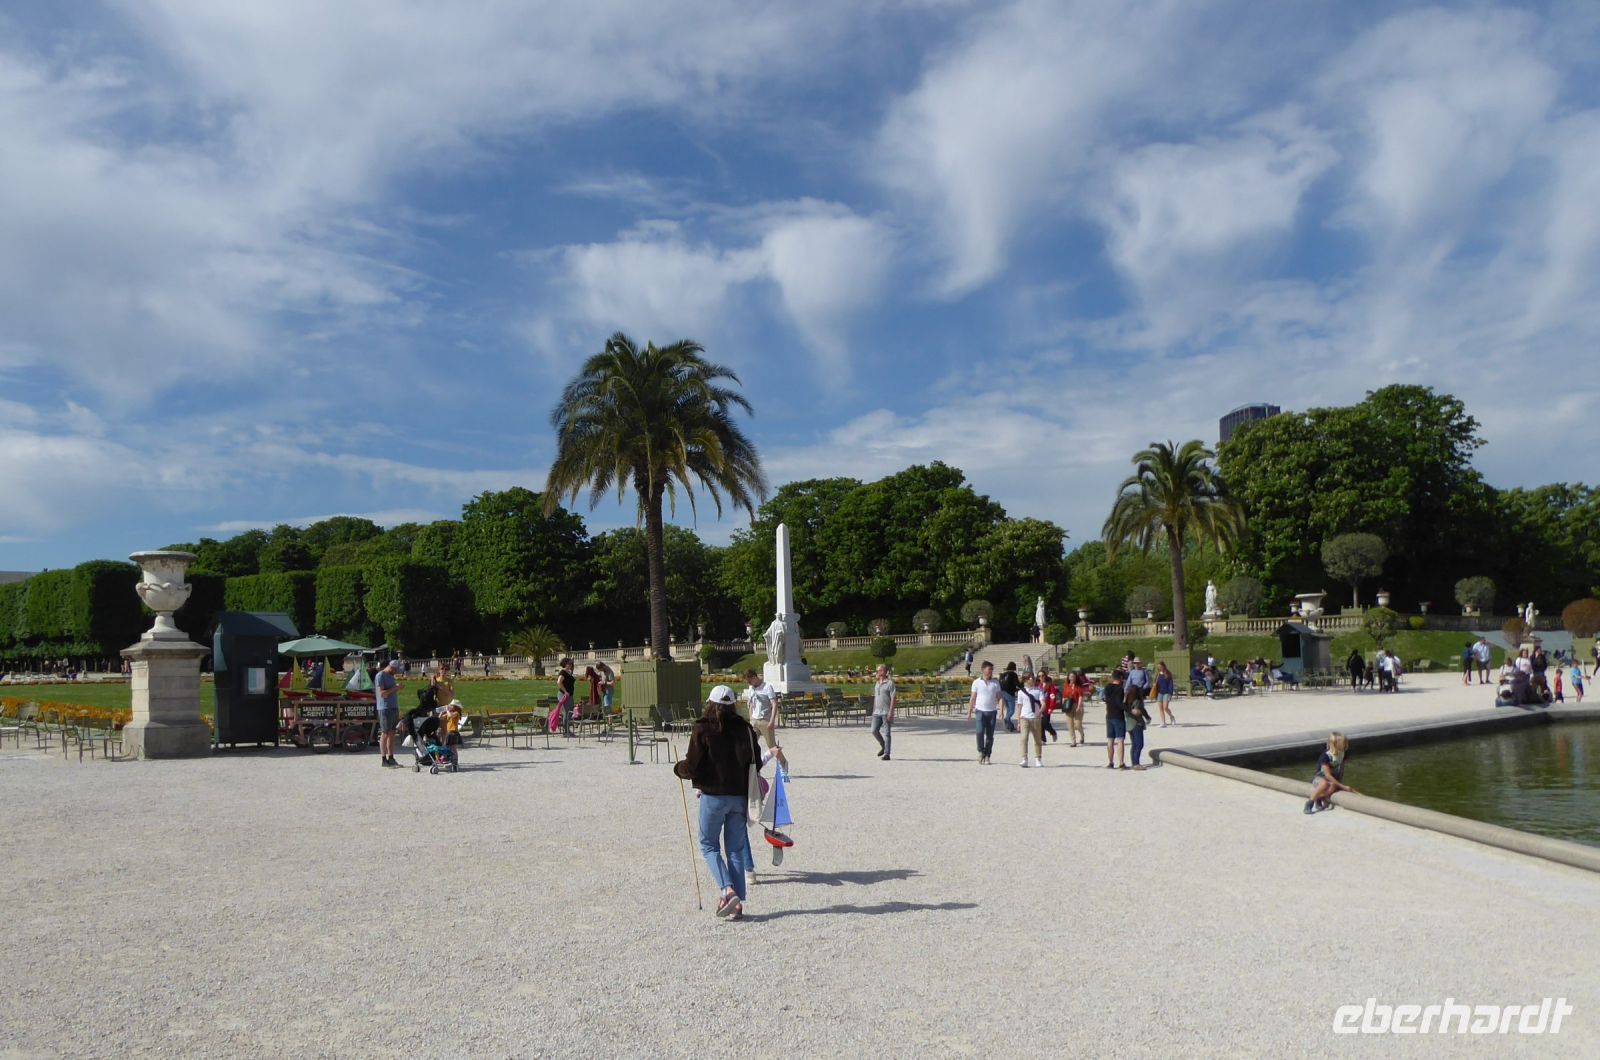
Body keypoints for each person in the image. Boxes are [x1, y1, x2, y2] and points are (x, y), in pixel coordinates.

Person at [672, 685, 761, 921]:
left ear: (710, 703)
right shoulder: (745, 729)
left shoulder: (703, 728)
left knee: (708, 845)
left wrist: (678, 769)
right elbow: (757, 762)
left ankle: (726, 889)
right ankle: (738, 902)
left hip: (713, 796)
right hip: (739, 797)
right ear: (733, 704)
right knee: (735, 849)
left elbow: (692, 766)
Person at [741, 669, 789, 777]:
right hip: (755, 721)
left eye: (749, 681)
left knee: (772, 746)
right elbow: (750, 704)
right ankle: (755, 769)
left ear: (754, 677)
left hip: (765, 720)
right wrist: (751, 719)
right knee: (751, 745)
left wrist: (772, 721)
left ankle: (783, 762)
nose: (749, 684)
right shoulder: (751, 688)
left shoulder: (767, 687)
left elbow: (774, 704)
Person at [1305, 732, 1354, 813]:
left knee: (1333, 787)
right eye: (1343, 743)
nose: (1346, 745)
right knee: (1324, 784)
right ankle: (1310, 803)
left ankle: (1319, 797)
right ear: (1335, 744)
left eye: (1346, 743)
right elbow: (1327, 775)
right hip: (1320, 778)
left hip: (1333, 779)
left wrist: (1339, 782)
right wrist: (1343, 787)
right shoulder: (1325, 756)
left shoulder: (1343, 754)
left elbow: (1341, 769)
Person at [967, 661, 1002, 765]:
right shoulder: (976, 682)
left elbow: (999, 698)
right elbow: (973, 698)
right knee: (979, 732)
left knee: (990, 735)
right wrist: (969, 711)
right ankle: (980, 751)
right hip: (980, 711)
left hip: (992, 711)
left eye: (992, 669)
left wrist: (1001, 711)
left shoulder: (995, 683)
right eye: (989, 669)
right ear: (983, 670)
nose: (991, 671)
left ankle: (987, 755)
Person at [374, 658, 403, 767]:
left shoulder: (391, 676)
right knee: (385, 733)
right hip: (384, 707)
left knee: (392, 733)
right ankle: (383, 759)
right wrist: (395, 688)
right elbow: (381, 694)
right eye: (395, 670)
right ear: (391, 667)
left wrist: (397, 688)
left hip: (393, 706)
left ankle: (391, 757)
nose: (396, 672)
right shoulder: (380, 676)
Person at [1015, 673, 1044, 767]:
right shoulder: (1020, 692)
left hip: (1036, 718)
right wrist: (1018, 721)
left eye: (1033, 677)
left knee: (1037, 739)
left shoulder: (1038, 690)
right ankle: (1024, 759)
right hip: (1024, 717)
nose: (1032, 679)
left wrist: (1039, 712)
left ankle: (1038, 758)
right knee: (1024, 738)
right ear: (1025, 680)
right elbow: (1019, 707)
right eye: (1030, 678)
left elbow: (1043, 704)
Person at [1103, 669, 1128, 770]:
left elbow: (1106, 699)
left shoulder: (1107, 687)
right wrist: (1128, 709)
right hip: (1118, 715)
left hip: (1109, 715)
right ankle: (1121, 763)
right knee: (1120, 740)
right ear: (1120, 678)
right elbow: (1119, 702)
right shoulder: (1119, 688)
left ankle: (1110, 762)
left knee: (1110, 740)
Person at [871, 663, 896, 761]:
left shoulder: (890, 683)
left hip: (886, 712)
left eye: (878, 670)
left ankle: (887, 754)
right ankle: (883, 746)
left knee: (887, 733)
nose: (877, 672)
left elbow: (893, 698)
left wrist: (891, 711)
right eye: (877, 671)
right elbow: (876, 698)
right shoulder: (877, 683)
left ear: (884, 672)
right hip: (877, 712)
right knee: (873, 730)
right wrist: (873, 710)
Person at [1127, 689, 1151, 771]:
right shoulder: (1137, 701)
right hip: (1137, 724)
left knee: (1134, 744)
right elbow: (1140, 710)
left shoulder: (1126, 702)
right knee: (1139, 744)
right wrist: (1147, 717)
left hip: (1129, 724)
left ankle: (1133, 762)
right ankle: (1136, 763)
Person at [1064, 671, 1090, 746]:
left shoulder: (1079, 686)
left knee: (1077, 724)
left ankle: (1082, 735)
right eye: (1070, 676)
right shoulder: (1066, 686)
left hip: (1077, 705)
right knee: (1070, 724)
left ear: (1076, 678)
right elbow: (1064, 696)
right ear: (1068, 677)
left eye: (1073, 676)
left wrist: (1079, 706)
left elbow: (1080, 696)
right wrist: (1064, 705)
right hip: (1068, 705)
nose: (1072, 678)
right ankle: (1073, 741)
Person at [554, 658, 576, 735]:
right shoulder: (563, 672)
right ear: (565, 664)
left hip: (569, 695)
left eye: (571, 664)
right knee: (566, 712)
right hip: (564, 695)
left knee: (570, 711)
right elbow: (559, 682)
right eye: (569, 664)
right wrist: (565, 691)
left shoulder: (568, 672)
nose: (570, 665)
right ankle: (566, 730)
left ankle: (567, 729)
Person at [1037, 668, 1060, 743]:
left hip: (1047, 708)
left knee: (1045, 723)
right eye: (1039, 676)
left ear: (1045, 676)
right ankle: (1043, 739)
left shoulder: (1050, 685)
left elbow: (1052, 697)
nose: (1041, 677)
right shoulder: (1038, 686)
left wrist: (1051, 707)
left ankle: (1053, 732)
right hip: (1039, 707)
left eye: (1042, 676)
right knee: (1040, 723)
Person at [998, 662, 1021, 733]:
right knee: (1012, 710)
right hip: (1010, 693)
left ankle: (1009, 725)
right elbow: (1017, 683)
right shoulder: (1013, 674)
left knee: (1008, 709)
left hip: (1002, 692)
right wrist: (1022, 687)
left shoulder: (1003, 674)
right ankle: (1007, 719)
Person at [1154, 662, 1176, 726]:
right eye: (1158, 667)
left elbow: (1170, 685)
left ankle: (1172, 717)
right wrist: (1154, 684)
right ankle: (1163, 722)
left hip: (1166, 693)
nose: (1159, 668)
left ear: (1164, 666)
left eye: (1160, 666)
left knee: (1165, 708)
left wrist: (1170, 693)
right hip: (1159, 693)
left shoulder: (1168, 674)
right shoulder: (1158, 674)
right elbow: (1155, 683)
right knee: (1160, 708)